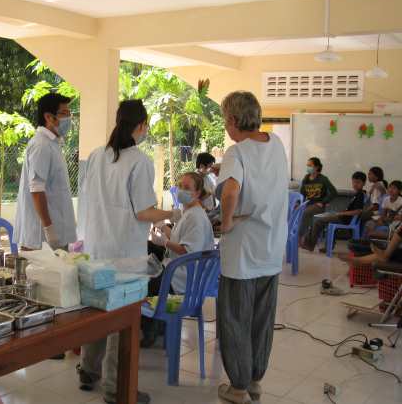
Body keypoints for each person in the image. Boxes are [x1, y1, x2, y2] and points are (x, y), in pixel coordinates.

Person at [77, 99, 179, 404]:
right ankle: (115, 387)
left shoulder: (97, 156)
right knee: (121, 321)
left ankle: (88, 371)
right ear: (141, 125)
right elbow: (143, 212)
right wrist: (170, 215)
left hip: (96, 248)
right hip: (124, 253)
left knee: (96, 312)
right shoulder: (139, 161)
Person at [215, 91, 288, 404]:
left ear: (232, 120)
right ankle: (255, 379)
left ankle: (239, 387)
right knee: (261, 317)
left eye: (224, 120)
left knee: (235, 318)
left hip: (243, 252)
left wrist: (227, 221)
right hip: (271, 248)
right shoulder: (277, 144)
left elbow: (230, 191)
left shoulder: (237, 152)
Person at [142, 171, 215, 347]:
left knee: (141, 288)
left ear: (197, 193)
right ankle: (156, 326)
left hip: (182, 279)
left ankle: (151, 331)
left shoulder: (196, 217)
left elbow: (187, 250)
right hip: (177, 270)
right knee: (145, 249)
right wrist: (165, 229)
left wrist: (165, 242)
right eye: (180, 186)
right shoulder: (190, 213)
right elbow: (181, 238)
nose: (181, 190)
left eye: (187, 188)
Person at [13, 93, 76, 251]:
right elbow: (37, 190)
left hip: (54, 235)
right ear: (49, 117)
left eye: (70, 113)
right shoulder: (41, 145)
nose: (69, 118)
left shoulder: (52, 144)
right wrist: (49, 229)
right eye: (64, 114)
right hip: (41, 239)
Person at [301, 172, 367, 253]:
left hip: (345, 220)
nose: (355, 184)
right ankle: (327, 247)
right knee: (323, 219)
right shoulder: (357, 194)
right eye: (354, 182)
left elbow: (358, 211)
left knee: (318, 221)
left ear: (364, 183)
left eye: (358, 182)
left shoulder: (360, 195)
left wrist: (341, 213)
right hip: (344, 218)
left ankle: (309, 245)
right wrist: (341, 212)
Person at [299, 157, 337, 243]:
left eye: (310, 165)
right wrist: (299, 203)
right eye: (307, 165)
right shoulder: (306, 178)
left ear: (316, 167)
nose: (308, 167)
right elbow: (302, 193)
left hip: (318, 206)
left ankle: (299, 237)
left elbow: (334, 192)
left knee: (306, 213)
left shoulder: (323, 179)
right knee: (297, 211)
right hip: (307, 204)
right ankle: (296, 236)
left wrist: (323, 202)